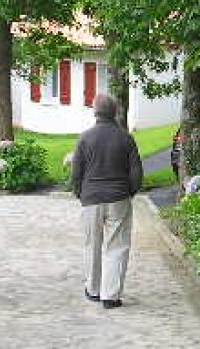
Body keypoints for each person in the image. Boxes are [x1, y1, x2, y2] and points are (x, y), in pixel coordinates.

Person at [71, 94, 143, 309]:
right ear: (115, 112)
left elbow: (76, 172)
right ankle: (110, 295)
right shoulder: (125, 138)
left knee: (92, 245)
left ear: (95, 112)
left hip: (91, 198)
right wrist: (129, 192)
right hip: (118, 197)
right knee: (117, 246)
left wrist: (81, 194)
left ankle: (93, 289)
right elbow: (136, 172)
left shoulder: (85, 138)